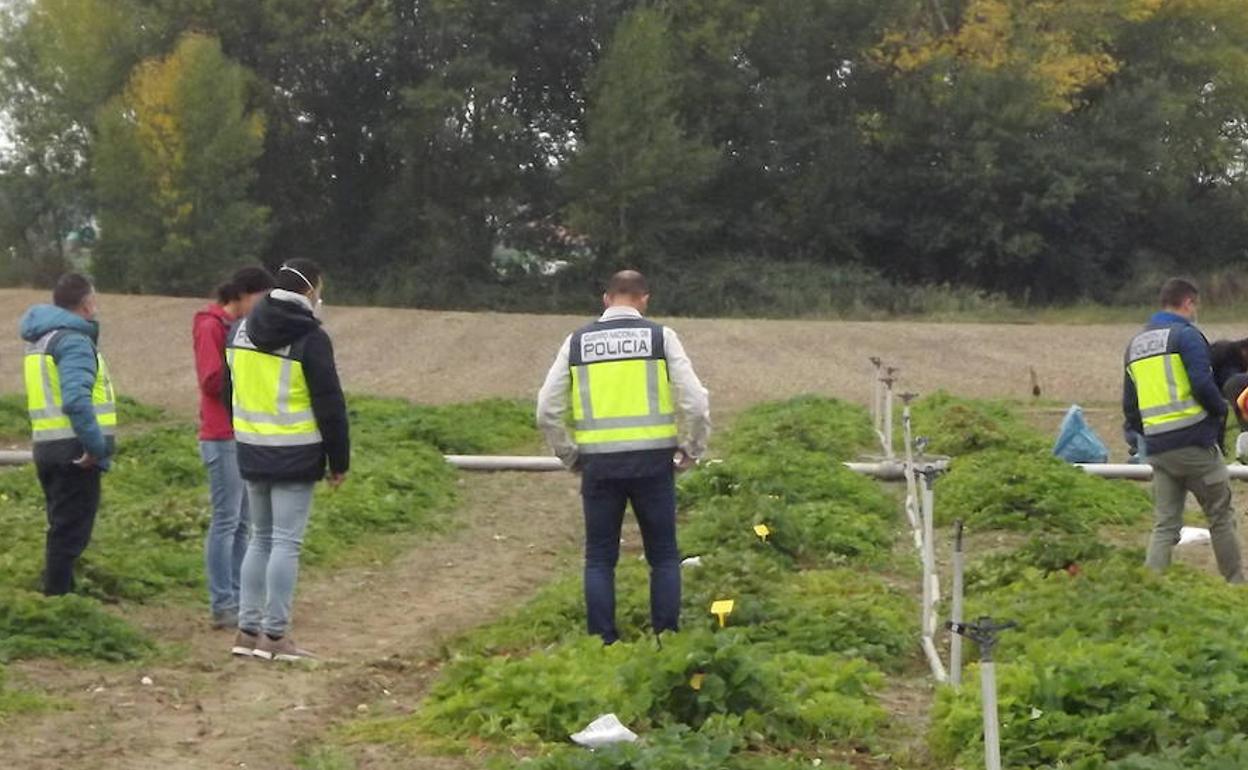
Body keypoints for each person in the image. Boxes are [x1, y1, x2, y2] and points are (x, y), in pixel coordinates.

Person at [536, 270, 711, 644]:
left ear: (606, 298)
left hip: (599, 466)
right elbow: (695, 403)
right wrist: (692, 450)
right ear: (644, 299)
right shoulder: (661, 337)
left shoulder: (577, 342)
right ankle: (667, 639)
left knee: (599, 559)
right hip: (653, 464)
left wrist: (570, 456)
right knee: (663, 556)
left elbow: (545, 410)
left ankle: (602, 642)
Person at [224, 259, 349, 661]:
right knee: (285, 543)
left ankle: (247, 632)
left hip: (250, 449)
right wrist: (339, 460)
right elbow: (330, 404)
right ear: (309, 290)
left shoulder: (238, 330)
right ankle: (275, 637)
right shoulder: (310, 337)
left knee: (259, 540)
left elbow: (231, 389)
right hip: (296, 453)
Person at [1123, 277, 1243, 582]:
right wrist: (1219, 411)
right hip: (1194, 443)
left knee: (1164, 525)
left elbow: (1130, 406)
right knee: (1220, 517)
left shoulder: (1135, 345)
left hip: (1159, 448)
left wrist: (1148, 434)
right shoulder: (1187, 336)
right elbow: (1203, 384)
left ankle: (1150, 588)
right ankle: (1237, 587)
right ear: (1188, 302)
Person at [20, 274, 116, 596]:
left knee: (61, 527)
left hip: (47, 448)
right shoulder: (73, 341)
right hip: (75, 450)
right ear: (87, 303)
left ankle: (62, 593)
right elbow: (76, 400)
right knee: (70, 533)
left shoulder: (41, 340)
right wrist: (96, 448)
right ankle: (58, 600)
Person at [193, 266, 274, 629]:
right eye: (259, 299)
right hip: (220, 434)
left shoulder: (233, 329)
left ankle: (241, 597)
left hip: (239, 432)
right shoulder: (211, 326)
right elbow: (211, 379)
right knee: (226, 521)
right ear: (242, 295)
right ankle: (222, 602)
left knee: (242, 523)